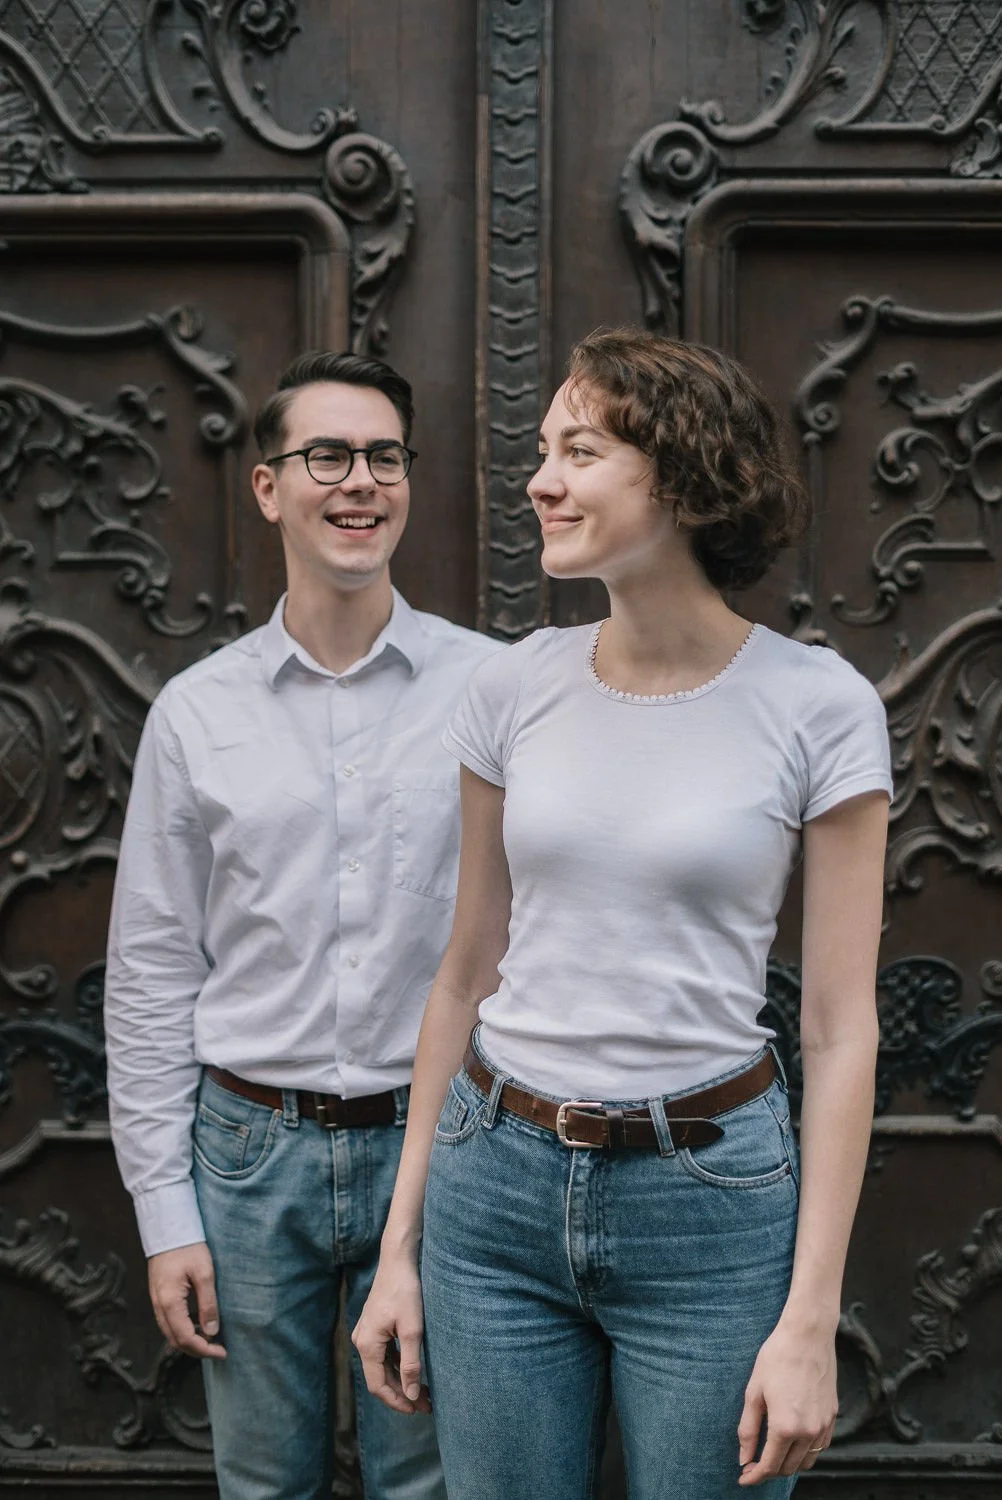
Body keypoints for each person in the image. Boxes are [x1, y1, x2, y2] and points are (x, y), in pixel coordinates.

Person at [352, 329, 893, 1499]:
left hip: (708, 1203)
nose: (542, 479)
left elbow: (843, 1031)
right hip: (492, 1185)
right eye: (545, 450)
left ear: (686, 475)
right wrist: (400, 1249)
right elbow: (463, 973)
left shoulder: (818, 707)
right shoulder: (513, 685)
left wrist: (811, 1320)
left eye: (580, 450)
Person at [104, 350, 501, 1500]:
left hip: (439, 1147)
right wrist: (164, 1214)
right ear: (270, 487)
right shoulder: (197, 713)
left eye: (384, 457)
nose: (359, 482)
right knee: (264, 1486)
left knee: (428, 1485)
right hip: (246, 1154)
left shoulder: (491, 690)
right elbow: (150, 970)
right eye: (327, 455)